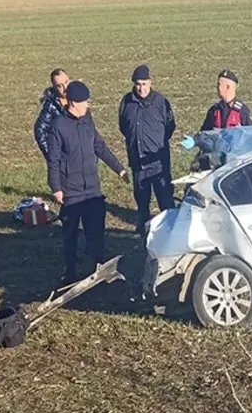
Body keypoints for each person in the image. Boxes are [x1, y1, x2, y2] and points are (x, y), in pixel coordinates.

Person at [47, 81, 128, 283]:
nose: (88, 105)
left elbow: (99, 146)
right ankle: (70, 270)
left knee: (96, 231)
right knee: (71, 234)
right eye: (84, 102)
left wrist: (119, 168)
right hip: (71, 190)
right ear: (73, 103)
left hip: (92, 188)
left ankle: (98, 266)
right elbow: (53, 159)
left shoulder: (87, 121)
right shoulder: (58, 126)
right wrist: (56, 187)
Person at [118, 65, 176, 233]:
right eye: (138, 84)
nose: (141, 88)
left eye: (144, 84)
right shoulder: (126, 102)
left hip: (158, 164)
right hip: (138, 164)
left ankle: (170, 234)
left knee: (166, 203)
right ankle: (143, 235)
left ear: (150, 82)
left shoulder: (161, 102)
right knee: (142, 205)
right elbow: (123, 127)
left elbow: (170, 127)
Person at [33, 68, 71, 160]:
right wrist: (51, 155)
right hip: (64, 158)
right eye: (59, 86)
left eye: (66, 82)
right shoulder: (51, 105)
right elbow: (40, 130)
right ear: (54, 87)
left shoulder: (78, 99)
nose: (65, 88)